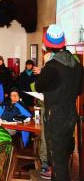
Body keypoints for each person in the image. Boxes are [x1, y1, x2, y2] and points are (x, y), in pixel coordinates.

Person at [33, 24, 82, 180]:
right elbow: (79, 89)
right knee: (63, 157)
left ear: (46, 45)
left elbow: (39, 86)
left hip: (55, 117)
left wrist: (46, 66)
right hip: (70, 115)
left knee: (57, 162)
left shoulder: (51, 66)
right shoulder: (77, 65)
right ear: (65, 41)